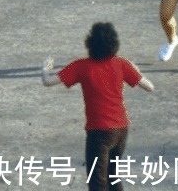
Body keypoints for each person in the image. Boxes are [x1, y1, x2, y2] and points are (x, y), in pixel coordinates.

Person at [41, 22, 154, 191]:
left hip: (99, 131)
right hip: (122, 128)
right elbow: (149, 87)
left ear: (90, 44)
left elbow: (48, 81)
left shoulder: (81, 66)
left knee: (97, 182)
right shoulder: (121, 64)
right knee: (113, 177)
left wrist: (44, 68)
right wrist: (135, 70)